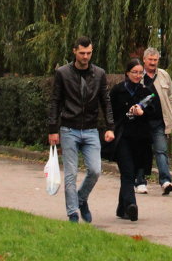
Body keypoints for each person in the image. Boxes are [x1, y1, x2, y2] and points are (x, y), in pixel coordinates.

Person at [47, 36, 115, 224]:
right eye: (82, 53)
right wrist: (53, 129)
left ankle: (81, 199)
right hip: (69, 128)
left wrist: (110, 127)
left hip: (92, 129)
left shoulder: (99, 73)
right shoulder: (63, 73)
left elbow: (106, 101)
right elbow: (55, 101)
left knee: (95, 170)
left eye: (89, 53)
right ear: (74, 51)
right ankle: (72, 213)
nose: (86, 56)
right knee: (71, 173)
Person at [109, 59, 161, 222]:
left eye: (140, 73)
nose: (138, 76)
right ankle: (131, 205)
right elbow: (109, 112)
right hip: (122, 136)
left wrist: (143, 112)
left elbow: (156, 112)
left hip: (140, 138)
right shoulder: (118, 90)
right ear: (127, 73)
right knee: (127, 170)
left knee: (131, 172)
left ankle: (121, 208)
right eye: (134, 72)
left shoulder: (146, 91)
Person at [134, 47, 172, 196]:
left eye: (155, 60)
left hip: (159, 121)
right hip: (141, 122)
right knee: (141, 152)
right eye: (150, 59)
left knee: (161, 150)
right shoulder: (137, 74)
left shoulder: (164, 75)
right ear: (144, 60)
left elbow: (171, 96)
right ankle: (140, 182)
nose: (152, 62)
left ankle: (165, 181)